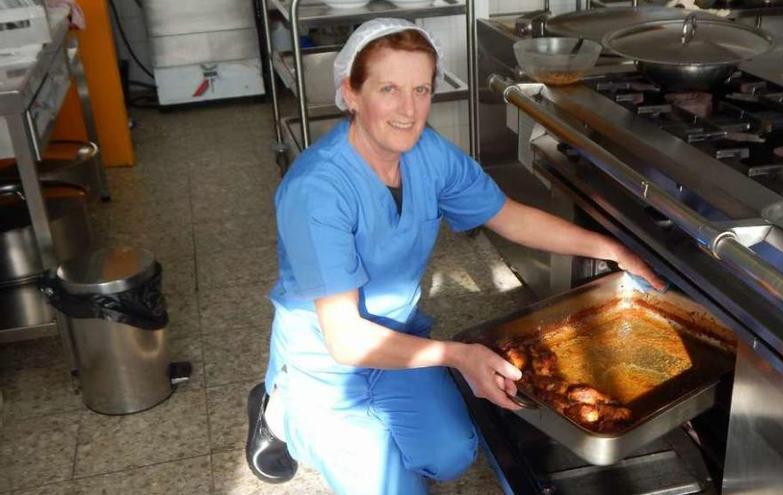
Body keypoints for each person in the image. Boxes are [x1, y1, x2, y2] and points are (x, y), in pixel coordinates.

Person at [245, 18, 664, 495]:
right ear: (352, 93)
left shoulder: (427, 154)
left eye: (421, 89)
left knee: (450, 455)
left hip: (396, 341)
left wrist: (611, 249)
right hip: (326, 363)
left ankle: (361, 433)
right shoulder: (317, 189)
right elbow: (345, 341)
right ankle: (281, 409)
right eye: (389, 89)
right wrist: (458, 356)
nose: (409, 110)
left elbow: (508, 217)